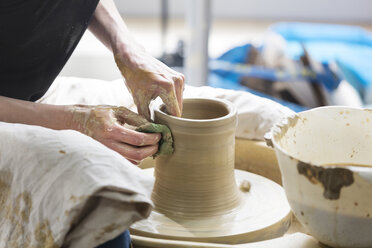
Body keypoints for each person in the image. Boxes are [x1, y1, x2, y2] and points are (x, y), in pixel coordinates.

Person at [0, 0, 184, 247]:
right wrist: (72, 120)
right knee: (101, 208)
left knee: (242, 111)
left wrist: (127, 48)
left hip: (36, 93)